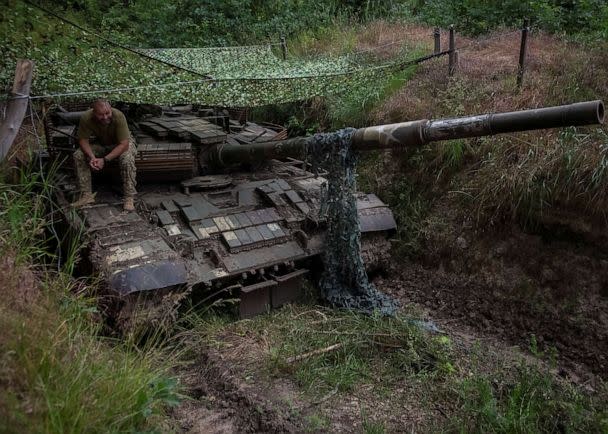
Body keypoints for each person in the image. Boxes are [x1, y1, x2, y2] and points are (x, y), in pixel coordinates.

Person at [72, 99, 137, 211]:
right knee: (78, 155)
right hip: (102, 143)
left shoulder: (119, 116)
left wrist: (104, 160)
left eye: (107, 113)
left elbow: (124, 144)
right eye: (101, 115)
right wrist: (92, 157)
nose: (105, 117)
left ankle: (129, 197)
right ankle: (86, 195)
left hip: (122, 142)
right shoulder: (86, 118)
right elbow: (83, 140)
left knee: (127, 159)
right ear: (94, 113)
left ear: (111, 110)